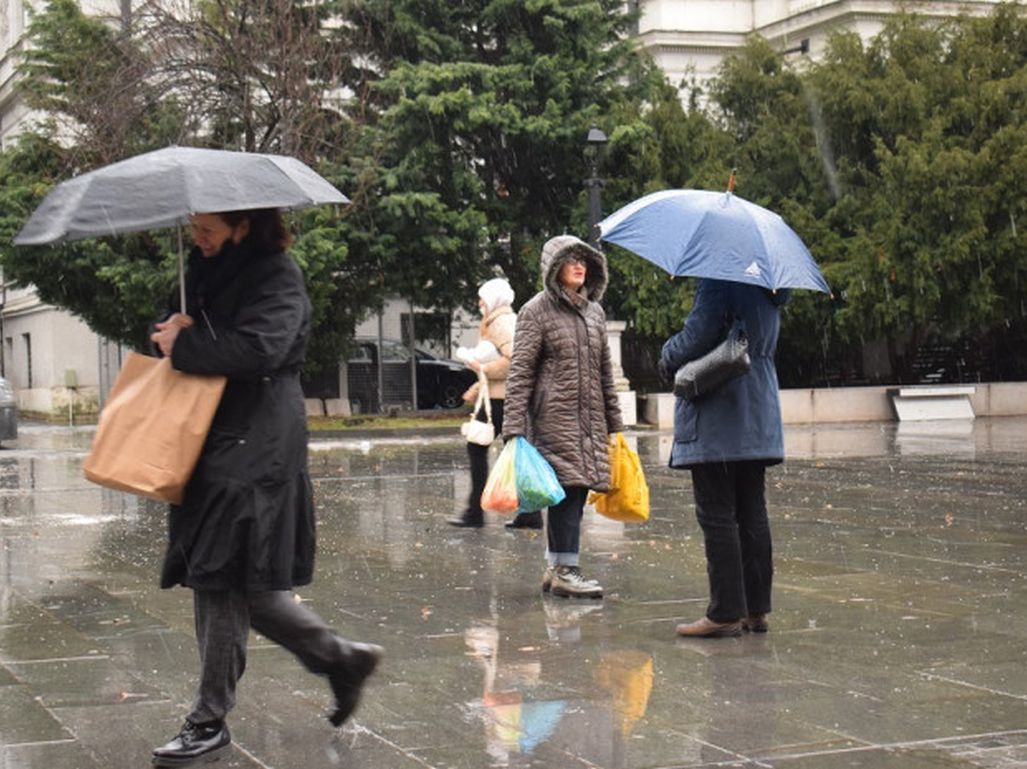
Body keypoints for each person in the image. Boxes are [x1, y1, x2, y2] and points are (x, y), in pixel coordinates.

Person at [149, 209, 382, 766]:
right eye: (195, 228)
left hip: (257, 442)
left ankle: (208, 720)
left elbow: (261, 350)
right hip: (209, 439)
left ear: (243, 226)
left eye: (207, 228)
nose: (197, 237)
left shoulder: (278, 275)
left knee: (220, 574)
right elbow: (174, 328)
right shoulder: (200, 270)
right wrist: (168, 332)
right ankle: (341, 659)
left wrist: (185, 345)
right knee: (244, 584)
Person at [659, 278, 789, 637]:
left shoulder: (718, 280)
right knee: (752, 511)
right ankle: (755, 608)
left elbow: (698, 335)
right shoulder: (770, 286)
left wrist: (667, 354)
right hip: (758, 408)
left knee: (717, 514)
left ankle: (725, 611)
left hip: (721, 408)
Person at [503, 235, 623, 598]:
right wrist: (513, 429)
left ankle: (558, 566)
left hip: (590, 420)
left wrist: (615, 425)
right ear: (554, 267)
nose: (578, 265)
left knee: (576, 489)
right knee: (566, 490)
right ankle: (565, 568)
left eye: (584, 260)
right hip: (553, 418)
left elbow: (605, 372)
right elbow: (520, 371)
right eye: (570, 259)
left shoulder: (594, 313)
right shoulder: (535, 311)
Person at [449, 277, 531, 528]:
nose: (479, 303)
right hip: (502, 397)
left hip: (501, 400)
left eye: (482, 298)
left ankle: (475, 512)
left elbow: (515, 359)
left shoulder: (500, 322)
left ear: (493, 299)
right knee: (514, 454)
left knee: (477, 448)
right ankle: (530, 513)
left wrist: (481, 368)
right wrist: (476, 387)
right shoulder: (503, 320)